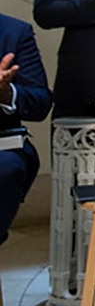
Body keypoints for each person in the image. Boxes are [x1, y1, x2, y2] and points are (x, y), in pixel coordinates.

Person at [0, 13, 51, 246]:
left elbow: (40, 102)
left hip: (2, 148)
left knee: (8, 167)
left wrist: (7, 92)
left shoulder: (13, 31)